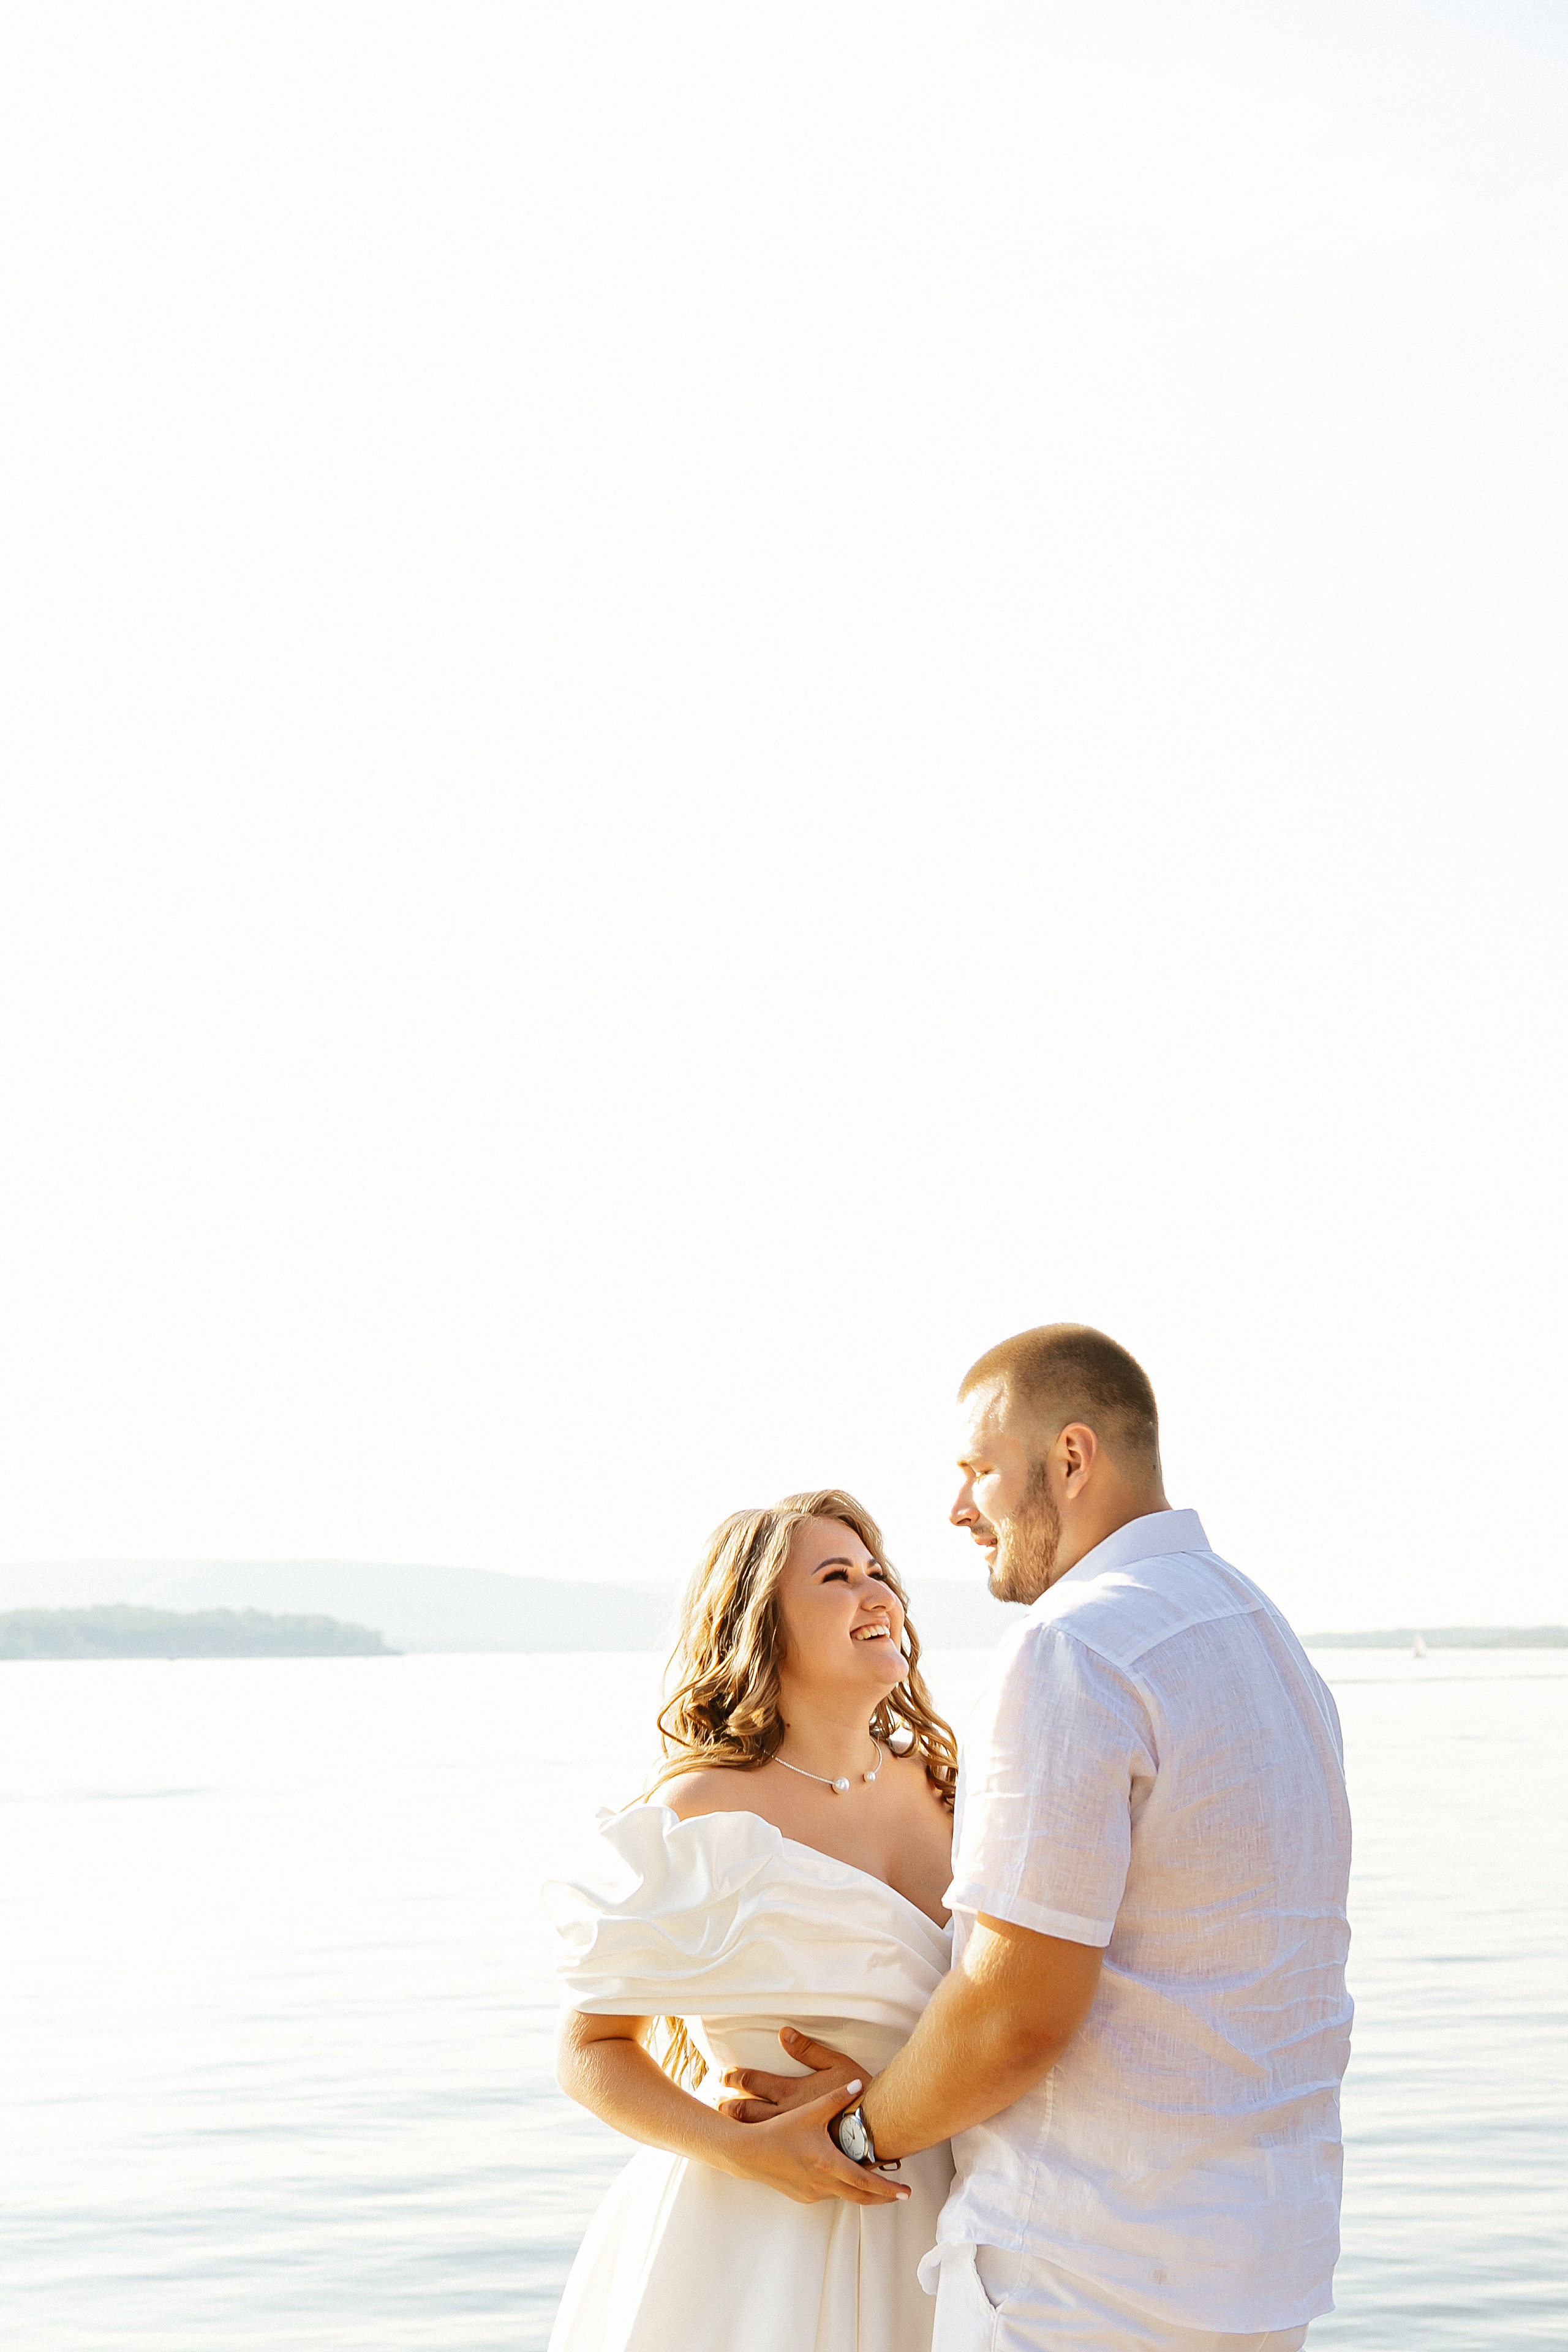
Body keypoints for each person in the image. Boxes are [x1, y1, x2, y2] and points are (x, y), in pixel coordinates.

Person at [723, 1326, 1354, 2352]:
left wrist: (851, 2134)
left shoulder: (1074, 1647)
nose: (957, 1509)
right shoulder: (1265, 1638)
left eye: (978, 1469)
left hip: (1084, 2278)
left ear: (1070, 1458)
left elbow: (1015, 2010)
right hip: (1264, 2268)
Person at [544, 1487, 960, 2352]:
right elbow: (590, 2051)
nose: (878, 1593)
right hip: (753, 2229)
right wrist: (743, 2152)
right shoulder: (700, 1810)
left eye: (878, 1572)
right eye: (837, 1577)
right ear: (762, 1625)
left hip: (938, 2210)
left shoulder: (949, 1788)